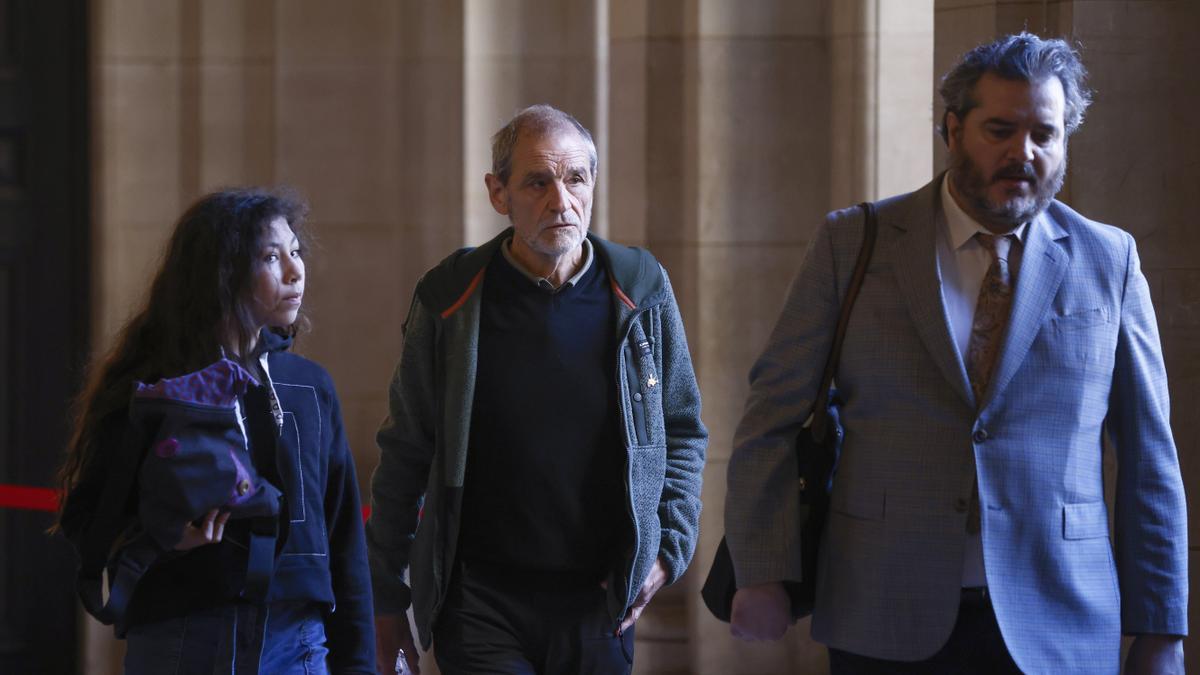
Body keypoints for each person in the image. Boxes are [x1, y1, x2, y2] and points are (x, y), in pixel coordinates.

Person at [724, 33, 1186, 675]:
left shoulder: (1110, 260)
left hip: (1060, 618)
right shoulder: (854, 243)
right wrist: (762, 570)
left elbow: (1149, 455)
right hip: (882, 610)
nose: (1023, 152)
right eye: (1000, 130)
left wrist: (1162, 628)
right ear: (952, 129)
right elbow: (770, 418)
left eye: (1044, 134)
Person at [367, 104, 708, 674]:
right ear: (498, 193)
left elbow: (682, 430)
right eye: (537, 182)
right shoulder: (451, 297)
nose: (561, 201)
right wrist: (384, 595)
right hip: (480, 599)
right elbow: (406, 448)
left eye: (576, 179)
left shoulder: (640, 288)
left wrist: (666, 551)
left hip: (597, 599)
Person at [55, 189, 375, 674]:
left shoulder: (308, 386)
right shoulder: (153, 385)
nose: (295, 271)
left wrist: (359, 666)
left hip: (296, 645)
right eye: (271, 257)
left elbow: (345, 542)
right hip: (182, 640)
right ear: (222, 273)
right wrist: (163, 539)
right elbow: (86, 520)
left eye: (295, 251)